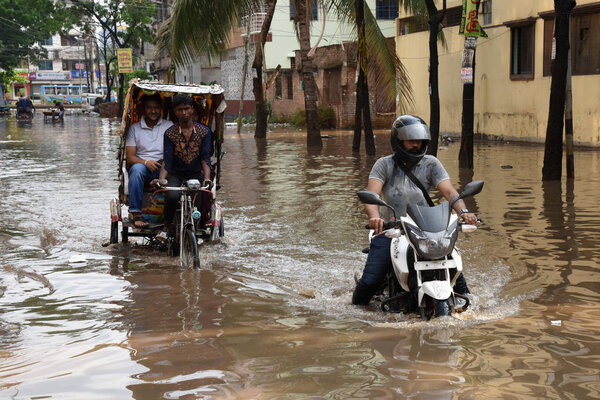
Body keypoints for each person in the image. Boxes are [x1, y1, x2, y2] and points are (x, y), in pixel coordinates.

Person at [352, 115, 478, 308]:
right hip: (391, 230)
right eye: (411, 141)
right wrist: (375, 217)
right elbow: (372, 194)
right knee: (370, 280)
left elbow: (450, 192)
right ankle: (354, 307)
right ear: (398, 141)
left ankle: (471, 306)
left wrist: (464, 212)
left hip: (424, 229)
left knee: (455, 272)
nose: (416, 145)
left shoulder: (431, 164)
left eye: (420, 141)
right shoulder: (384, 165)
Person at [155, 94, 212, 238]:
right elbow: (167, 161)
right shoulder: (170, 133)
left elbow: (206, 158)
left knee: (196, 204)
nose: (184, 113)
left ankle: (197, 227)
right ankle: (166, 226)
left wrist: (207, 178)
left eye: (187, 109)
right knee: (172, 196)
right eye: (180, 110)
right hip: (176, 175)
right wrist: (162, 179)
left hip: (195, 175)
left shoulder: (204, 132)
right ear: (175, 111)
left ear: (192, 109)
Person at [125, 93, 173, 228]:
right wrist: (146, 162)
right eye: (149, 107)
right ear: (143, 109)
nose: (153, 111)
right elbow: (130, 157)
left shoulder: (169, 126)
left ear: (160, 108)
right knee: (136, 169)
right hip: (143, 168)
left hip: (165, 167)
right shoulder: (134, 128)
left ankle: (176, 214)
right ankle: (136, 214)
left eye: (156, 108)